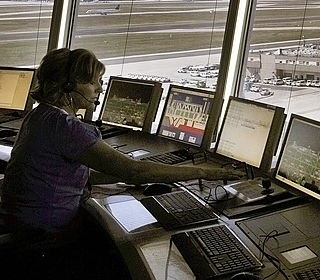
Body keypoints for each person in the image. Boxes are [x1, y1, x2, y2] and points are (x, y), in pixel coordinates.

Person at [0, 47, 242, 233]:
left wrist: (131, 176)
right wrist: (203, 172)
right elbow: (135, 171)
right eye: (93, 82)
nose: (99, 89)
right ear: (69, 86)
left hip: (21, 220)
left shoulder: (40, 115)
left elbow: (69, 175)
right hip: (44, 230)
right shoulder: (66, 127)